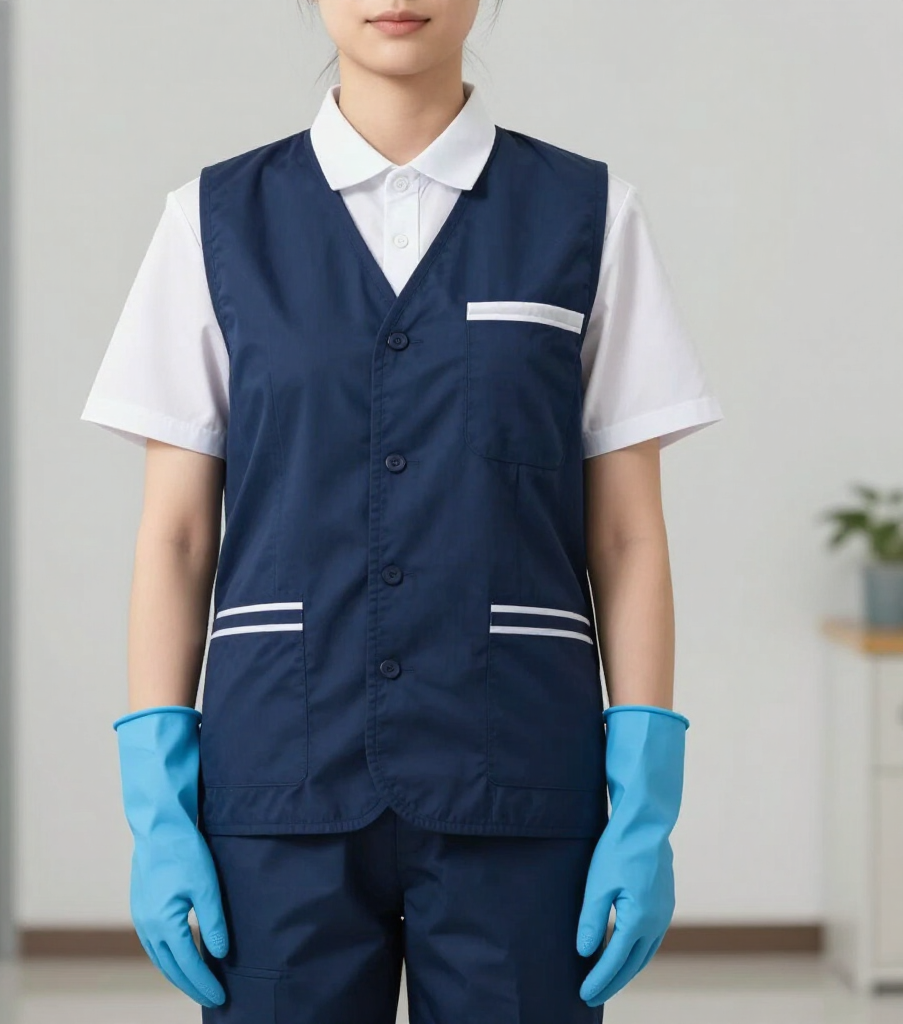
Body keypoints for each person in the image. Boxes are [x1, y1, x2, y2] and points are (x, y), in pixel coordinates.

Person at [81, 1, 724, 1020]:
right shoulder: (211, 219)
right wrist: (156, 800)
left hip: (515, 767)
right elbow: (177, 533)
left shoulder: (587, 213)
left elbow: (625, 533)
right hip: (279, 776)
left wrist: (645, 796)